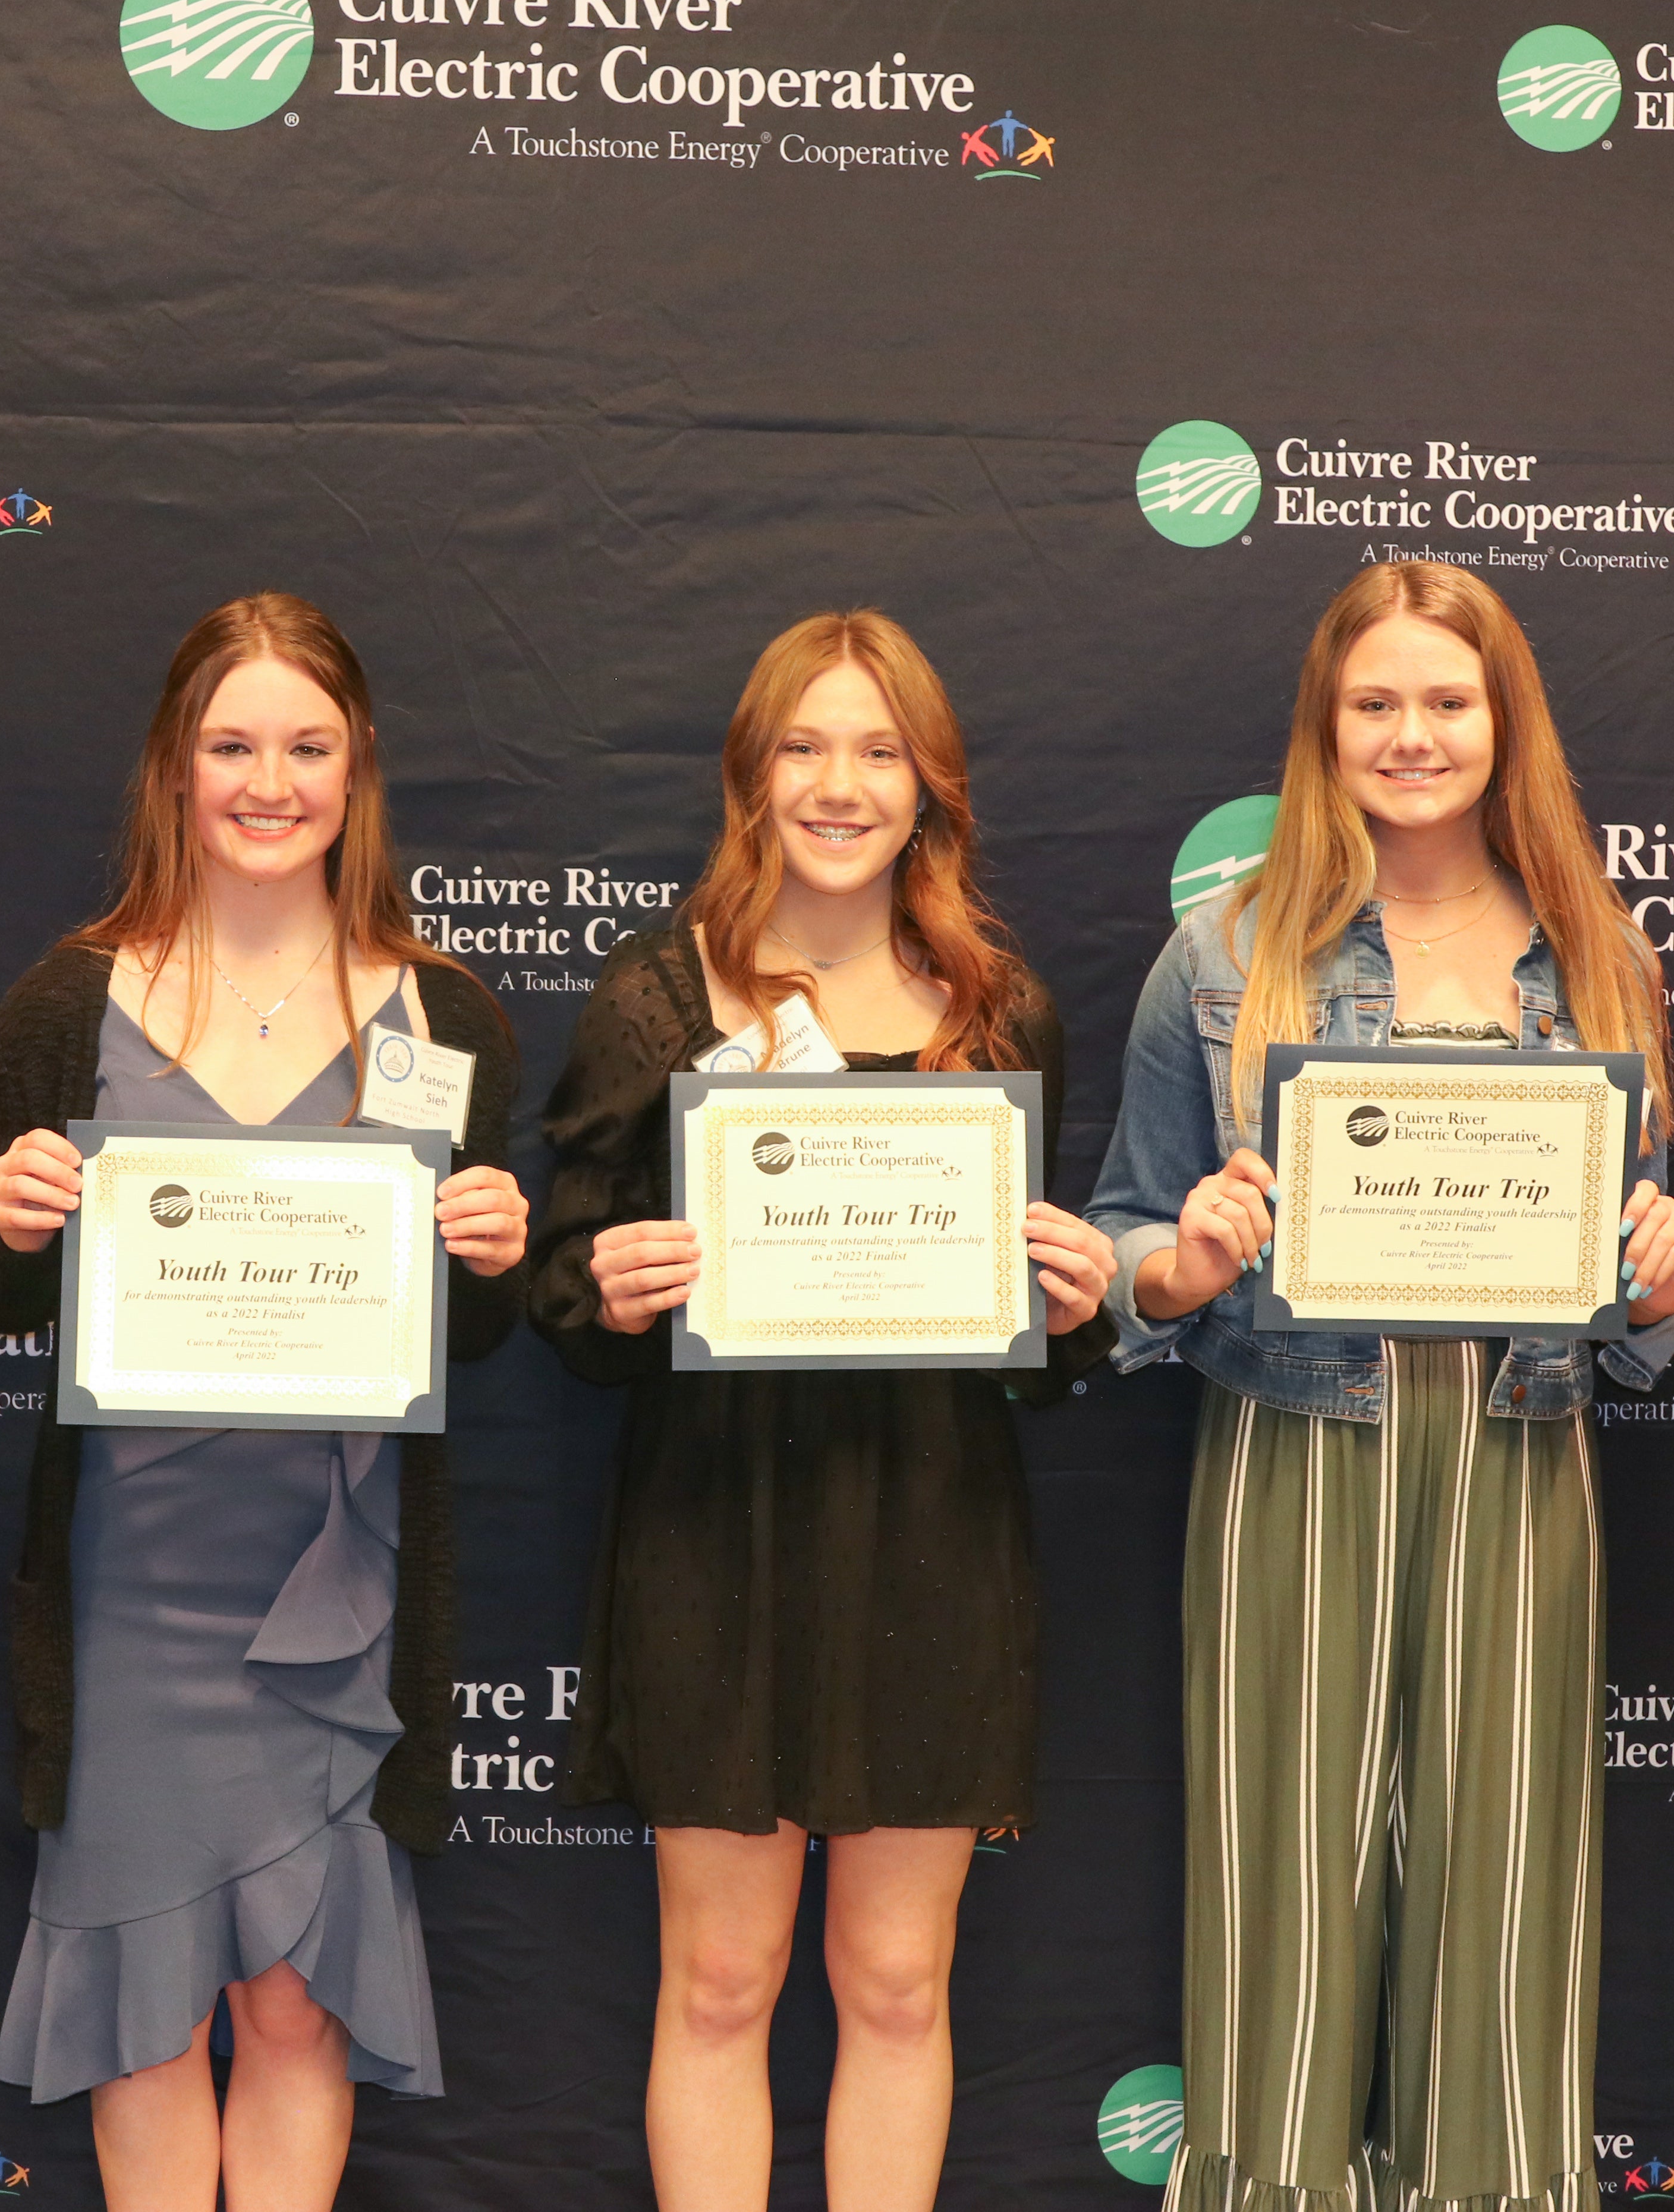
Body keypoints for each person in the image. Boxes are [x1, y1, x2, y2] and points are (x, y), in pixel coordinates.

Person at [1083, 559, 1674, 2212]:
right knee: (1287, 1889)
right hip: (1296, 1451)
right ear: (1325, 726)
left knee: (1508, 1892)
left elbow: (1641, 1282)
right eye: (1377, 704)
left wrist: (1668, 1271)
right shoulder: (1221, 954)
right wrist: (1187, 1259)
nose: (1412, 735)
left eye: (1448, 702)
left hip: (1519, 1458)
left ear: (1506, 727)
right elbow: (1117, 1238)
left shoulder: (1599, 961)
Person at [527, 609, 1119, 2212]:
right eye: (806, 745)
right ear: (751, 774)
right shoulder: (656, 1002)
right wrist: (616, 1285)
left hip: (930, 1530)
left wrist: (1074, 1305)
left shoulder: (998, 1014)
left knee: (899, 1986)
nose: (841, 784)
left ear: (931, 786)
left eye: (879, 749)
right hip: (717, 1532)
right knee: (721, 1984)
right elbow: (566, 1296)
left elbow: (1028, 1346)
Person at [0, 590, 528, 2212]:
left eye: (306, 745)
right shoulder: (68, 1006)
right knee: (144, 2019)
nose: (267, 782)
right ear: (171, 769)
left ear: (357, 773)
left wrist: (489, 1254)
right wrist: (6, 1232)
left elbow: (471, 1341)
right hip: (134, 1587)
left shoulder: (451, 1016)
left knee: (294, 2002)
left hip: (341, 1596)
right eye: (230, 745)